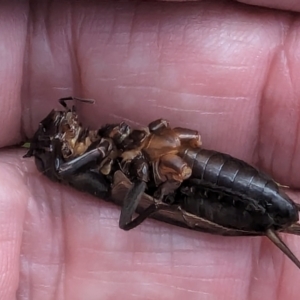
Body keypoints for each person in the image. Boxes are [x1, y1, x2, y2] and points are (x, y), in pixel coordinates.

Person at [1, 0, 300, 299]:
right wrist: (157, 204)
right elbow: (119, 211)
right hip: (176, 192)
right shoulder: (83, 164)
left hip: (181, 168)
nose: (66, 122)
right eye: (58, 132)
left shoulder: (105, 142)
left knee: (271, 203)